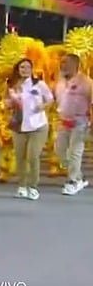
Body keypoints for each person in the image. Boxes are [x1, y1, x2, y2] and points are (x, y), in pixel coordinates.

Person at [5, 58, 53, 200]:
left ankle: (33, 187)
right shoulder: (12, 86)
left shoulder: (39, 84)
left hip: (38, 126)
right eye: (22, 67)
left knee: (33, 156)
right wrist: (9, 103)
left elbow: (50, 98)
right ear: (18, 70)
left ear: (32, 69)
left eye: (27, 67)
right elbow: (6, 102)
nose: (25, 70)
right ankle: (22, 186)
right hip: (19, 126)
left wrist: (42, 106)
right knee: (20, 157)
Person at [54, 53, 91, 196]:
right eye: (61, 62)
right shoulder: (60, 81)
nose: (62, 65)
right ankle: (79, 176)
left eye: (65, 62)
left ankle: (73, 181)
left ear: (76, 64)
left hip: (80, 122)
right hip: (63, 121)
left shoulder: (86, 82)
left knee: (75, 152)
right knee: (60, 152)